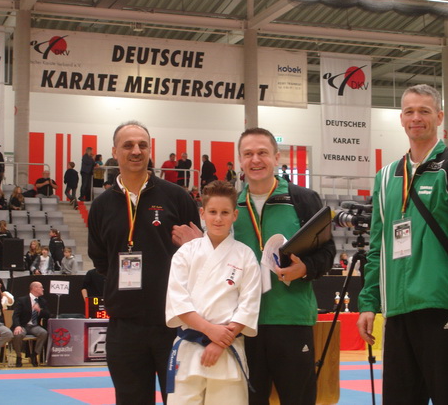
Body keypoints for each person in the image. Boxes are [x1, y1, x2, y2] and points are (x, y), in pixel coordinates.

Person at [173, 127, 335, 405]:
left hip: (291, 318)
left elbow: (328, 251)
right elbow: (217, 252)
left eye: (262, 153)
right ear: (240, 160)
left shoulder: (302, 199)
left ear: (276, 157)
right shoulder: (231, 205)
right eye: (248, 154)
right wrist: (198, 243)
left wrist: (305, 268)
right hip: (243, 327)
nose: (255, 160)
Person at [356, 84, 448, 404]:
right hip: (398, 311)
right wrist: (368, 302)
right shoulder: (386, 176)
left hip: (444, 305)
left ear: (439, 117)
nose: (416, 118)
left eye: (424, 111)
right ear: (401, 119)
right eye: (409, 111)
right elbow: (377, 247)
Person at [88, 121, 201, 404]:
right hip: (124, 325)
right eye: (128, 145)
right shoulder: (101, 206)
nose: (136, 151)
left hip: (174, 322)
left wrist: (195, 246)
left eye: (142, 145)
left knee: (181, 400)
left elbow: (199, 255)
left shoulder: (177, 197)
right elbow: (101, 260)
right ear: (114, 151)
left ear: (150, 150)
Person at [165, 181, 261, 405]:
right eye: (213, 212)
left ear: (235, 215)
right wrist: (210, 330)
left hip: (227, 349)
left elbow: (249, 305)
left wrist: (220, 342)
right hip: (189, 349)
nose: (218, 218)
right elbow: (178, 302)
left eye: (225, 212)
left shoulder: (245, 255)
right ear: (202, 214)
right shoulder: (185, 253)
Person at [11, 281, 50, 367]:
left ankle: (34, 354)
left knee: (44, 333)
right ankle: (18, 356)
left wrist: (39, 310)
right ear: (35, 288)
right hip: (23, 325)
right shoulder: (22, 300)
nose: (43, 289)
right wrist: (17, 326)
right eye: (41, 287)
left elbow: (48, 315)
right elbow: (15, 315)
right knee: (18, 334)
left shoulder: (42, 301)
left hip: (34, 325)